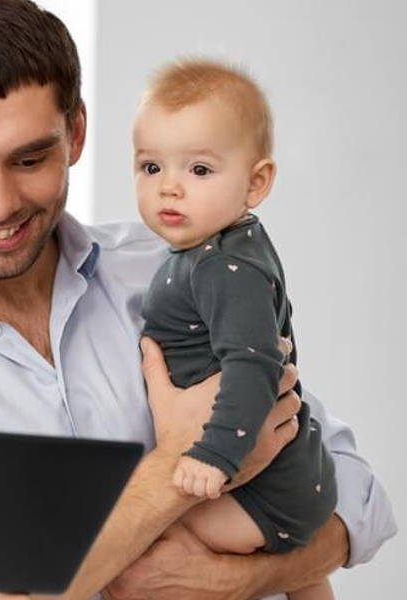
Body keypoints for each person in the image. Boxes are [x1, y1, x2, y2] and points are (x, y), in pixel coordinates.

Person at [0, 1, 396, 599]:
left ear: (78, 132)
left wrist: (228, 581)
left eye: (29, 159)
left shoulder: (177, 265)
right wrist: (173, 470)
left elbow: (355, 494)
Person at [133, 58, 336, 600]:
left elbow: (255, 365)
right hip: (293, 473)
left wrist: (214, 457)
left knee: (156, 544)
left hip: (267, 487)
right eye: (152, 167)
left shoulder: (227, 267)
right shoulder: (209, 249)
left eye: (199, 170)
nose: (169, 188)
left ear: (256, 181)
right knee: (305, 573)